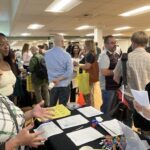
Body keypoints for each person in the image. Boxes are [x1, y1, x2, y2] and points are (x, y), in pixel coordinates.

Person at [114, 31, 150, 133]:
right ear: (146, 43)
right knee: (146, 126)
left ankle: (129, 143)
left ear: (132, 42)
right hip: (147, 99)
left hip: (128, 98)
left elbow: (115, 78)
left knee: (126, 125)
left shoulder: (125, 58)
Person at [44, 34, 73, 106]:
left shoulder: (47, 54)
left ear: (54, 42)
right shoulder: (66, 55)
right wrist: (59, 79)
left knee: (52, 105)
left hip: (52, 84)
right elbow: (69, 72)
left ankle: (52, 118)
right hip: (64, 85)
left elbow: (47, 67)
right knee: (62, 107)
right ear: (62, 41)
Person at [98, 35, 121, 114]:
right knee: (106, 110)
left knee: (113, 110)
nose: (114, 44)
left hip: (115, 86)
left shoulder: (115, 54)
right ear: (105, 44)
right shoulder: (104, 56)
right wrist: (117, 71)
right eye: (112, 43)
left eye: (115, 42)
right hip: (108, 88)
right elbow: (104, 72)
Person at [75, 40, 97, 106]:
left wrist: (77, 64)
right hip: (91, 76)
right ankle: (90, 108)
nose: (83, 46)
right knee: (89, 93)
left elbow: (87, 66)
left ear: (88, 45)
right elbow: (82, 61)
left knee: (87, 94)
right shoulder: (91, 54)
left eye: (84, 44)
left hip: (88, 76)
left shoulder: (89, 54)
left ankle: (90, 109)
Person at [0, 33, 17, 101]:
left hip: (11, 101)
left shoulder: (8, 63)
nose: (6, 47)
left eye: (7, 44)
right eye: (1, 44)